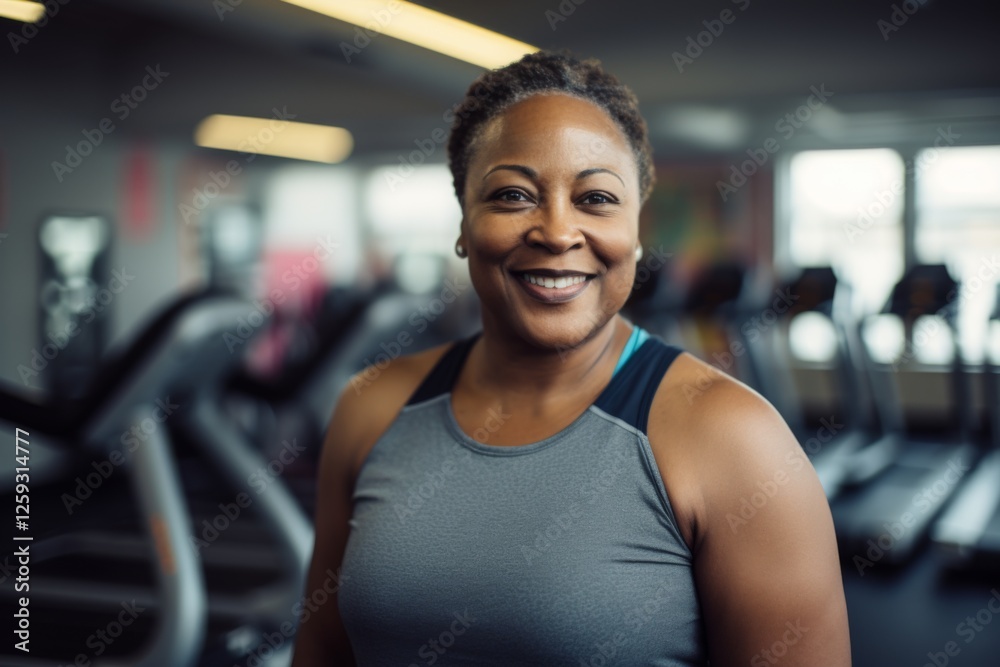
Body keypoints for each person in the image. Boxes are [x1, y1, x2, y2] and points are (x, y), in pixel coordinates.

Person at [291, 51, 850, 666]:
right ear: (463, 223)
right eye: (511, 195)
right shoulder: (371, 406)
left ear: (636, 230)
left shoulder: (736, 440)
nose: (557, 232)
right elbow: (321, 651)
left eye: (597, 199)